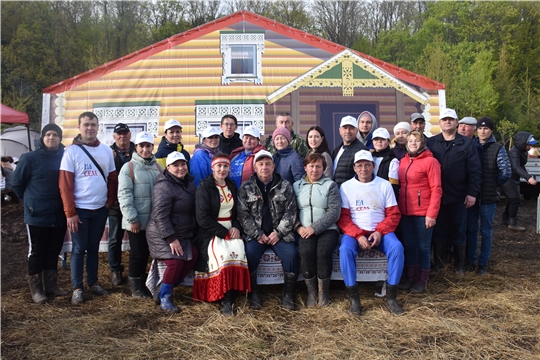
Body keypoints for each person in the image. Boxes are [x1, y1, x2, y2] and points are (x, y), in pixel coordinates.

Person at [337, 150, 405, 315]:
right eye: (359, 165)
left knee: (397, 248)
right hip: (356, 233)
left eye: (367, 165)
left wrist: (380, 232)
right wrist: (359, 235)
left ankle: (391, 297)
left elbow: (393, 214)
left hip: (381, 231)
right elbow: (344, 218)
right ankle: (354, 299)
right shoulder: (346, 187)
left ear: (373, 166)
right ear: (354, 168)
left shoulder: (384, 184)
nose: (363, 169)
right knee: (345, 250)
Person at [59, 112, 117, 305]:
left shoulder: (107, 151)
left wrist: (109, 202)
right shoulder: (71, 152)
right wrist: (70, 213)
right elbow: (65, 185)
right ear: (79, 127)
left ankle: (92, 283)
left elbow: (112, 179)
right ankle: (77, 288)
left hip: (100, 209)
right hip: (80, 211)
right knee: (78, 249)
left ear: (98, 127)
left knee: (93, 248)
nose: (90, 128)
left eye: (93, 124)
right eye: (86, 125)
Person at [11, 124, 68, 304]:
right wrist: (30, 202)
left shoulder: (65, 157)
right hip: (37, 215)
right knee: (37, 252)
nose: (52, 138)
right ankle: (37, 290)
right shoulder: (30, 158)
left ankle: (51, 285)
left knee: (53, 251)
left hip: (59, 214)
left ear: (60, 138)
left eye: (55, 135)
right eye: (48, 135)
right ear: (42, 138)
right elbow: (17, 184)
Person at [238, 150, 299, 310]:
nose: (264, 167)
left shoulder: (285, 186)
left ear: (274, 166)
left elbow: (291, 212)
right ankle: (254, 294)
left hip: (279, 234)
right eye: (260, 164)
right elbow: (243, 215)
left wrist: (278, 233)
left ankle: (288, 295)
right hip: (256, 235)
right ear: (255, 167)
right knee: (249, 254)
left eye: (267, 164)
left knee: (291, 255)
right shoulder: (246, 188)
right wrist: (257, 234)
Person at [193, 154, 250, 315]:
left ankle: (234, 291)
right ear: (212, 168)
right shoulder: (205, 187)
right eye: (219, 166)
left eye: (225, 166)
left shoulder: (231, 185)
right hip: (211, 231)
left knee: (239, 250)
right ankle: (225, 299)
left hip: (231, 228)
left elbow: (239, 211)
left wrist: (237, 227)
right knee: (224, 255)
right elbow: (202, 218)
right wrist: (224, 233)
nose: (222, 169)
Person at [427, 108, 481, 274]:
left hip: (459, 196)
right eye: (444, 119)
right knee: (439, 232)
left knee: (459, 232)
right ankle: (439, 264)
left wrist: (472, 193)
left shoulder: (467, 143)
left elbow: (475, 170)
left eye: (451, 119)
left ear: (457, 123)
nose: (447, 122)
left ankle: (459, 266)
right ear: (440, 123)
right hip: (438, 197)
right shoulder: (431, 143)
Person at [145, 152, 199, 313]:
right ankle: (165, 297)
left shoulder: (188, 182)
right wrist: (171, 238)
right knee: (176, 262)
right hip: (161, 233)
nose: (180, 168)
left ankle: (162, 289)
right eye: (176, 165)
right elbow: (160, 215)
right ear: (168, 168)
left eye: (183, 164)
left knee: (193, 255)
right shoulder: (164, 186)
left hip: (182, 231)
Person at [117, 131, 162, 298]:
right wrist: (132, 219)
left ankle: (145, 283)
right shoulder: (128, 167)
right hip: (137, 221)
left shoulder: (158, 167)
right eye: (141, 146)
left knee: (147, 253)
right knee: (137, 253)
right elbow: (124, 195)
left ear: (152, 147)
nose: (145, 149)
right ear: (136, 147)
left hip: (153, 221)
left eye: (148, 146)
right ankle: (135, 287)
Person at [293, 153, 341, 307]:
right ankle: (312, 292)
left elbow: (334, 212)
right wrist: (298, 227)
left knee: (323, 252)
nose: (314, 170)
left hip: (327, 229)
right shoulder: (296, 186)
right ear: (305, 167)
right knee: (306, 252)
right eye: (311, 166)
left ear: (324, 169)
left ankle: (323, 293)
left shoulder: (330, 185)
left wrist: (314, 228)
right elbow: (290, 210)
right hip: (304, 229)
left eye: (318, 166)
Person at [397, 131, 442, 293]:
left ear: (422, 142)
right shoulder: (403, 161)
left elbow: (436, 189)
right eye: (410, 140)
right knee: (409, 246)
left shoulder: (431, 162)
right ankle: (411, 277)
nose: (413, 143)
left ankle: (422, 280)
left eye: (416, 140)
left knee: (423, 247)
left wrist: (432, 214)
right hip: (406, 213)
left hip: (423, 213)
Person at [466, 117, 511, 274]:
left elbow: (506, 171)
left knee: (486, 231)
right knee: (471, 230)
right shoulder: (471, 145)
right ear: (476, 130)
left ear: (491, 130)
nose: (482, 131)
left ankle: (483, 263)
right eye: (480, 128)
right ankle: (470, 261)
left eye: (486, 128)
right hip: (472, 195)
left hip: (488, 197)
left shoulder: (498, 148)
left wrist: (493, 183)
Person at [107, 123, 135, 286]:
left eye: (125, 133)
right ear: (114, 136)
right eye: (119, 133)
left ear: (130, 135)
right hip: (116, 203)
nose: (122, 136)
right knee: (114, 239)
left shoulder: (138, 150)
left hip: (134, 202)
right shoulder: (107, 153)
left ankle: (135, 270)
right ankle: (115, 271)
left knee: (136, 238)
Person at [501, 131, 538, 231]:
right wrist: (528, 178)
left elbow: (521, 166)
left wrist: (527, 176)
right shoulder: (514, 152)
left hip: (514, 178)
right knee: (515, 199)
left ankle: (505, 218)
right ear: (523, 143)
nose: (530, 147)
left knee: (512, 198)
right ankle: (512, 223)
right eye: (529, 145)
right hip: (508, 177)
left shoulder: (522, 151)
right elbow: (516, 166)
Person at [331, 115, 368, 187]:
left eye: (351, 128)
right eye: (345, 128)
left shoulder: (362, 150)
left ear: (357, 130)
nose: (348, 131)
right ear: (340, 131)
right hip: (337, 194)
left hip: (353, 195)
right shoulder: (336, 151)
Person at [371, 127, 400, 199]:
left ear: (389, 141)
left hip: (384, 199)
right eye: (376, 139)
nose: (379, 141)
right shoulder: (369, 157)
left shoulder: (393, 160)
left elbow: (394, 186)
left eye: (383, 139)